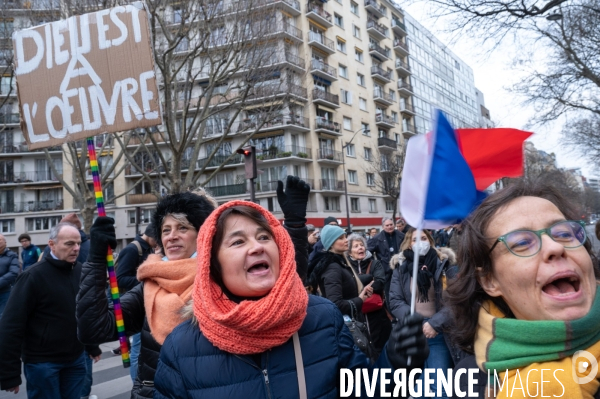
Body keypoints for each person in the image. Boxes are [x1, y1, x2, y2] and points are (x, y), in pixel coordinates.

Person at [153, 201, 430, 398]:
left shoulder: (321, 317)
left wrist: (396, 365)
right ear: (212, 265)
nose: (257, 246)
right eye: (238, 242)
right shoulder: (181, 347)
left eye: (264, 236)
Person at [77, 177, 311, 399]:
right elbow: (95, 329)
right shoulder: (151, 284)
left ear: (204, 235)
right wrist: (96, 259)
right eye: (165, 230)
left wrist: (295, 226)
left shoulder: (225, 275)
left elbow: (286, 292)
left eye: (182, 228)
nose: (171, 237)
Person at [448, 179, 600, 398]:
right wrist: (394, 360)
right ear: (490, 281)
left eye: (564, 234)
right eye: (521, 242)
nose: (555, 247)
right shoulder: (470, 379)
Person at [0, 223, 101, 398]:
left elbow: (84, 313)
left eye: (78, 243)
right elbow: (11, 325)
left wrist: (92, 346)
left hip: (76, 360)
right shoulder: (32, 277)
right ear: (51, 244)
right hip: (43, 363)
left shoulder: (80, 271)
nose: (76, 248)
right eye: (69, 244)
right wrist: (9, 373)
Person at [388, 228, 458, 399]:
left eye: (424, 238)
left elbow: (454, 301)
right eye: (414, 239)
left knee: (440, 386)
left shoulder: (444, 265)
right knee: (420, 386)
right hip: (414, 332)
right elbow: (395, 301)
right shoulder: (401, 268)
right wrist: (415, 322)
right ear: (408, 244)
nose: (420, 242)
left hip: (438, 332)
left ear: (431, 241)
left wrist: (434, 324)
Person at [115, 223, 158, 382]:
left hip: (145, 302)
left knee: (142, 347)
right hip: (136, 304)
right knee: (138, 349)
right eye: (158, 240)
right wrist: (147, 279)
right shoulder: (132, 250)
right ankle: (136, 384)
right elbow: (120, 279)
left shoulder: (147, 248)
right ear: (151, 236)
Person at [346, 233, 392, 356]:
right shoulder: (346, 267)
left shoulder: (375, 263)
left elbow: (380, 283)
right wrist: (369, 278)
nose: (360, 248)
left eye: (362, 245)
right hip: (357, 315)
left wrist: (358, 284)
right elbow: (348, 286)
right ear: (349, 252)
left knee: (381, 348)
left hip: (377, 315)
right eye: (356, 246)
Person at [368, 217, 405, 301]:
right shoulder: (377, 238)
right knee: (389, 292)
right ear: (383, 226)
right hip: (386, 270)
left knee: (402, 290)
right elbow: (368, 252)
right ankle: (390, 310)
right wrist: (376, 264)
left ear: (394, 225)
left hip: (401, 268)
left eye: (391, 224)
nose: (389, 227)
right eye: (387, 225)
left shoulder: (401, 235)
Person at [0, 234, 18, 318]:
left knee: (3, 317)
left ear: (5, 242)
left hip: (5, 292)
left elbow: (14, 273)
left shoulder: (12, 255)